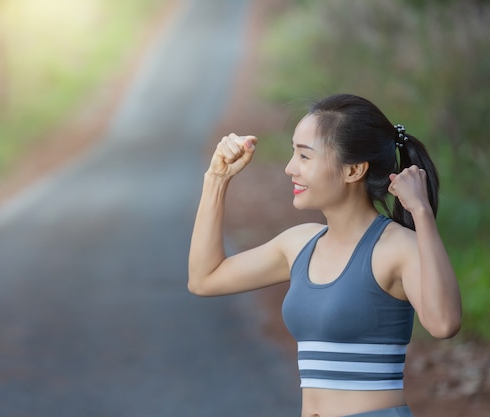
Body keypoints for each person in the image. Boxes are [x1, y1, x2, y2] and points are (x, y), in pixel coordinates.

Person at [188, 93, 462, 417]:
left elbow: (444, 323)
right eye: (294, 153)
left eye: (305, 157)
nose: (290, 168)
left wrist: (421, 212)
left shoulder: (396, 247)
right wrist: (216, 180)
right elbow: (205, 279)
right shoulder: (300, 244)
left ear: (354, 170)